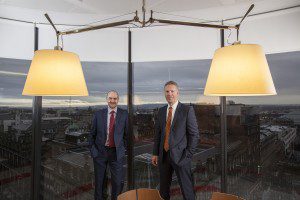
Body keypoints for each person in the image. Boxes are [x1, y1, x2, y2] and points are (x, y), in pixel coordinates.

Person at [152, 81, 199, 200]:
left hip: (181, 157)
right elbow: (158, 134)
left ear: (177, 93)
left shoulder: (187, 110)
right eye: (167, 91)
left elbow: (194, 135)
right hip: (164, 156)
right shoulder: (161, 111)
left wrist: (188, 155)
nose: (169, 94)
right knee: (163, 191)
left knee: (187, 191)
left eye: (172, 91)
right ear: (164, 93)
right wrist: (155, 153)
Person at [89, 90, 128, 200]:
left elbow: (127, 135)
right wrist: (94, 152)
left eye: (115, 98)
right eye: (110, 98)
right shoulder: (98, 114)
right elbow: (91, 134)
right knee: (100, 182)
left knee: (117, 182)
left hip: (116, 153)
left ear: (118, 100)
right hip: (100, 152)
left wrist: (121, 148)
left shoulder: (124, 114)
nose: (112, 100)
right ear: (107, 99)